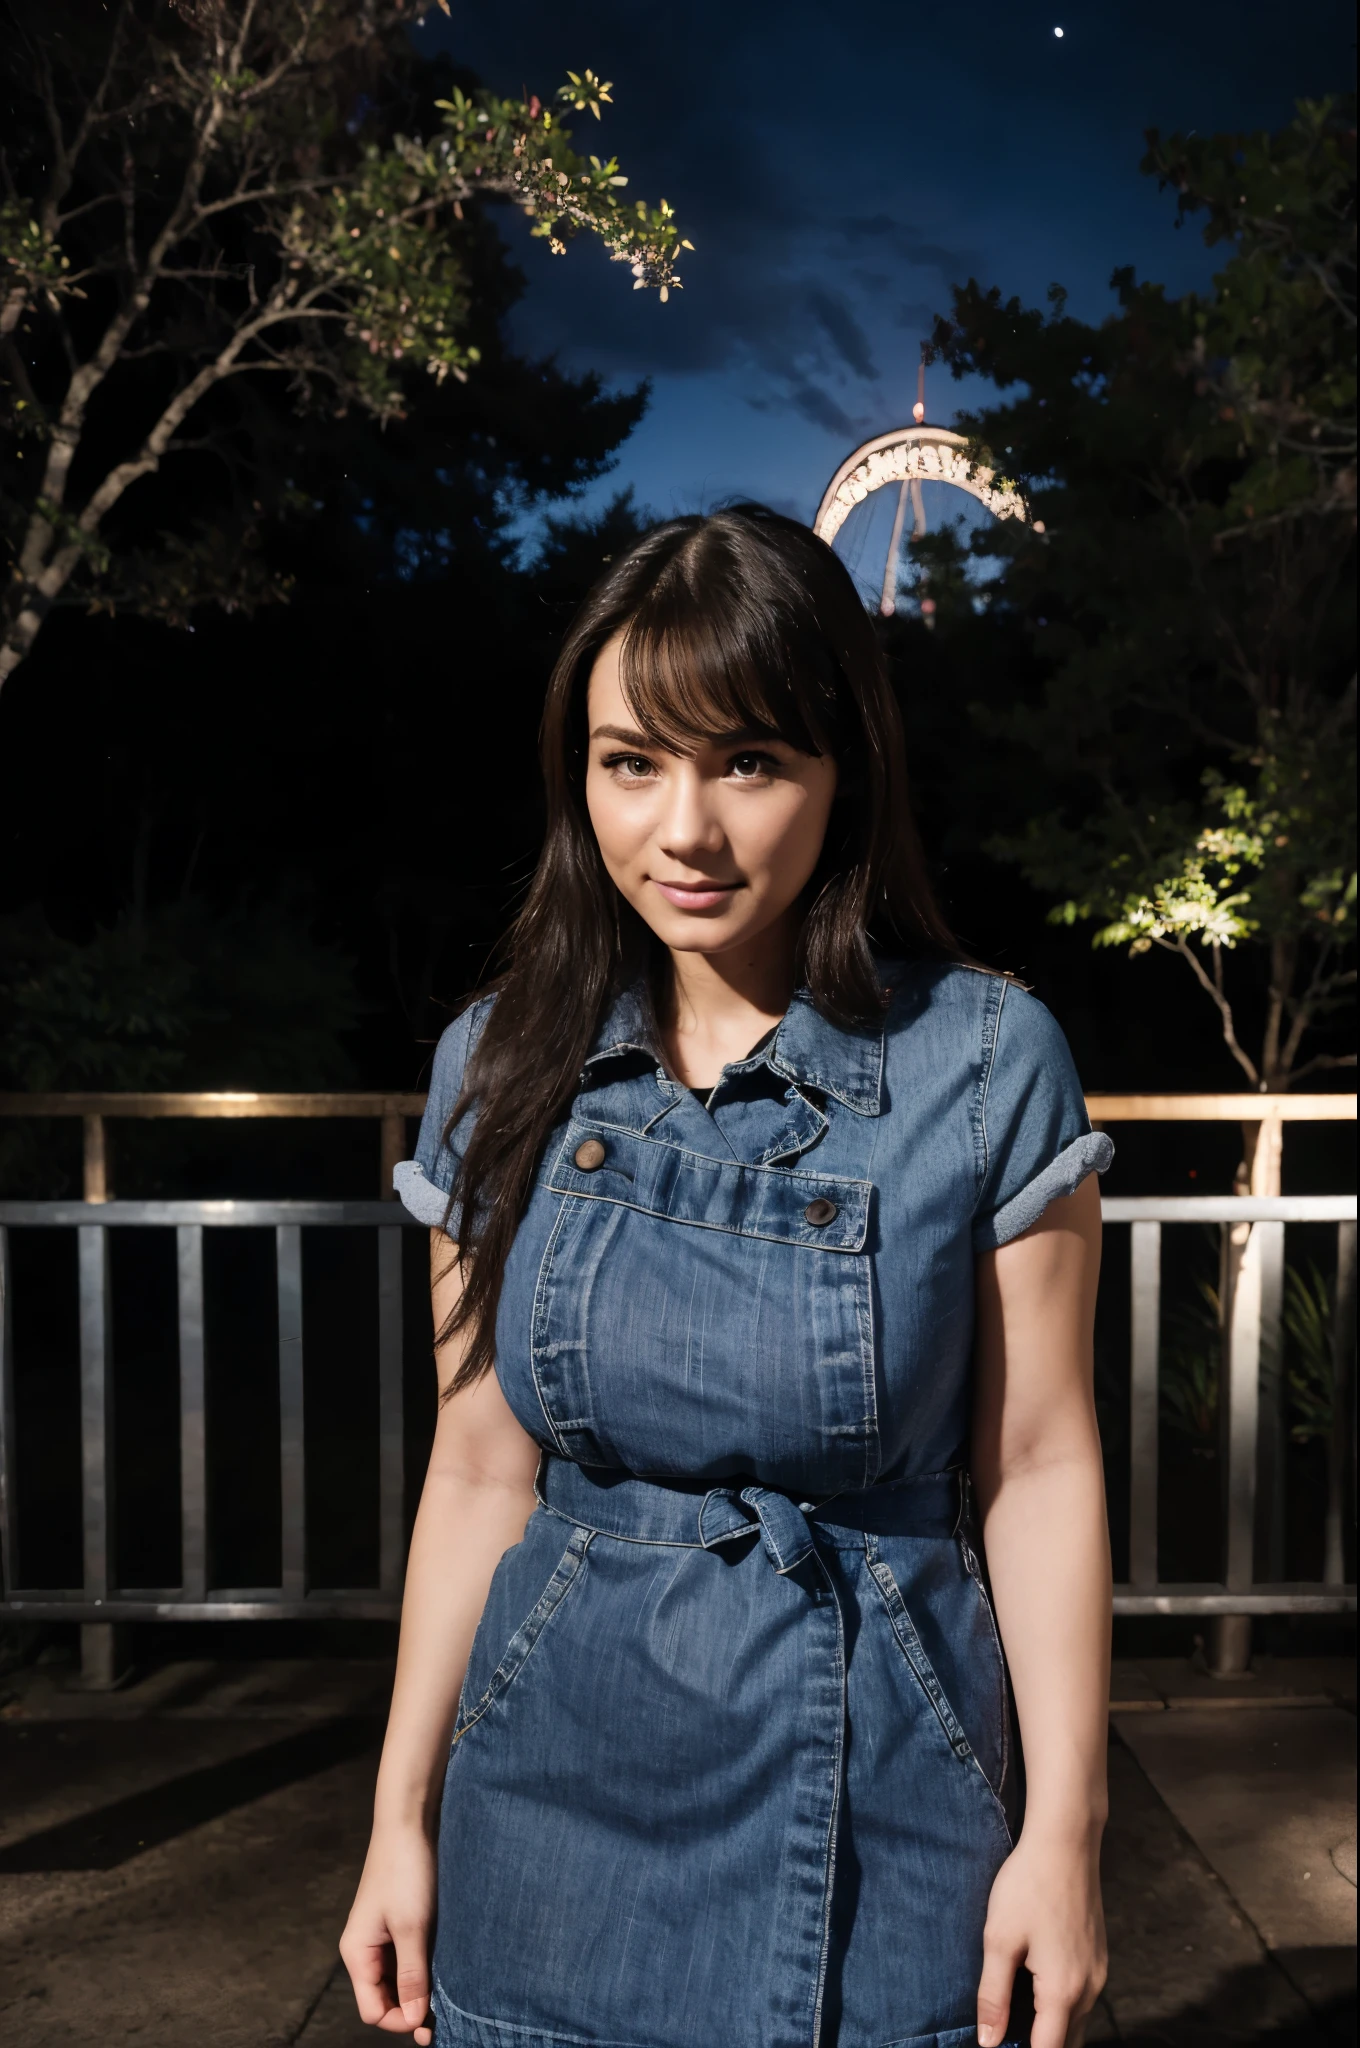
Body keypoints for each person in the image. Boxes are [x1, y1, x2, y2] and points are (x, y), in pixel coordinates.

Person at [340, 505, 1113, 2048]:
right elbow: (482, 1473)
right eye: (634, 761)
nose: (683, 829)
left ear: (846, 774)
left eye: (748, 761)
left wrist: (1068, 1837)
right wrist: (399, 1816)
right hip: (551, 1790)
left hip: (888, 1786)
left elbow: (1036, 1467)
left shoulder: (984, 1058)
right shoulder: (497, 1064)